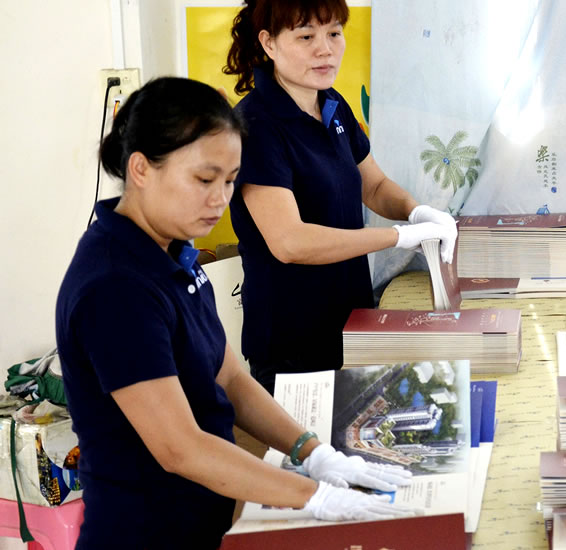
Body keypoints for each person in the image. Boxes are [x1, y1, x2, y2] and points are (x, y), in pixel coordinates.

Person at [55, 77, 419, 549]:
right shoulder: (115, 286)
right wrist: (314, 496)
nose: (220, 200)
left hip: (202, 520)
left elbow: (228, 376)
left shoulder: (172, 250)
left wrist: (313, 451)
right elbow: (180, 447)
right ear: (140, 168)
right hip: (143, 533)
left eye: (230, 181)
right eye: (204, 180)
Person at [223, 0, 458, 390]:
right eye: (306, 37)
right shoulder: (256, 126)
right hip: (293, 341)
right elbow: (289, 242)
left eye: (334, 32)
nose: (325, 49)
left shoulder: (332, 104)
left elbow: (374, 186)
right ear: (269, 43)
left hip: (350, 324)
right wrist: (398, 237)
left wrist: (417, 212)